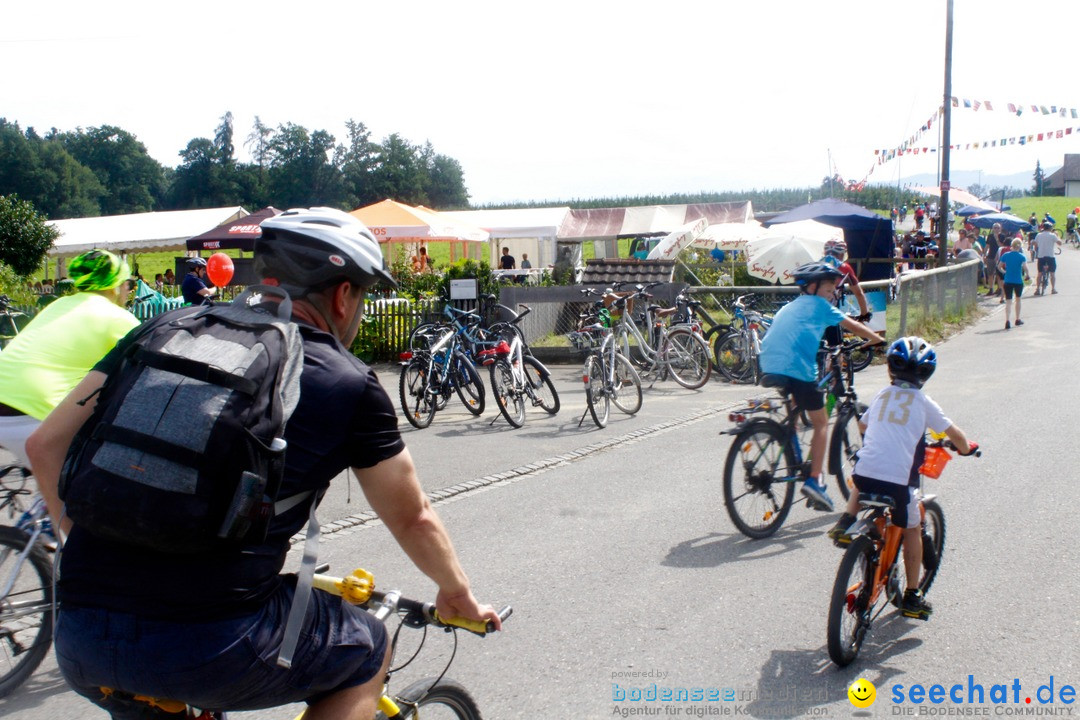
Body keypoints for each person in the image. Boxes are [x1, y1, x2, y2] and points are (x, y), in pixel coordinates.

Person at [27, 207, 501, 720]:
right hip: (210, 646)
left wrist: (88, 549)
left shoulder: (160, 330)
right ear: (343, 295)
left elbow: (44, 446)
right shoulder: (347, 382)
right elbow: (413, 516)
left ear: (266, 277)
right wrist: (458, 594)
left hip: (80, 635)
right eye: (361, 296)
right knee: (366, 648)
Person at [827, 337, 976, 620]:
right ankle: (911, 595)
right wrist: (967, 448)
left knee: (866, 469)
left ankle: (846, 521)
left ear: (890, 370)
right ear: (926, 374)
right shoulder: (923, 402)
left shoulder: (883, 394)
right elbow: (955, 435)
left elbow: (862, 424)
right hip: (899, 484)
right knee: (912, 528)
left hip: (864, 473)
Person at [758, 262, 884, 512]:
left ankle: (790, 440)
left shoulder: (791, 306)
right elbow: (853, 325)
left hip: (768, 364)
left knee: (795, 407)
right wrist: (877, 339)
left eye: (834, 290)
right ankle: (814, 481)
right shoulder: (820, 306)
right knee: (821, 422)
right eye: (829, 289)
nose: (832, 294)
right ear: (814, 288)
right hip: (796, 368)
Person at [0, 249, 137, 472]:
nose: (128, 290)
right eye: (127, 283)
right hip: (34, 411)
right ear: (116, 285)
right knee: (79, 487)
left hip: (5, 395)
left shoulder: (58, 305)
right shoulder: (118, 317)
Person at [998, 238, 1028, 328]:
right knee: (1018, 299)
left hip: (1008, 280)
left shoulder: (1006, 255)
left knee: (1008, 301)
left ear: (1012, 245)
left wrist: (1004, 272)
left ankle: (1007, 320)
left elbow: (999, 267)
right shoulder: (1021, 256)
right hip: (1018, 280)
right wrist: (1027, 275)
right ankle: (1017, 319)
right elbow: (1025, 267)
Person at [1033, 221, 1062, 295]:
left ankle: (1037, 289)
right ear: (1050, 228)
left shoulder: (1039, 235)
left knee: (1039, 273)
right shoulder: (1052, 235)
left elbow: (1035, 244)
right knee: (1052, 273)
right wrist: (1057, 236)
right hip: (1050, 256)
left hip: (1041, 256)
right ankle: (1053, 289)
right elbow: (1060, 243)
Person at [983, 224, 1006, 296]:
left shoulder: (1002, 236)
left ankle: (999, 289)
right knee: (990, 274)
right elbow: (987, 245)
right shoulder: (990, 236)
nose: (996, 229)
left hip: (999, 257)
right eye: (995, 228)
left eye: (998, 228)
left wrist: (997, 238)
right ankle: (991, 289)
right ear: (993, 228)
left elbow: (1002, 246)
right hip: (990, 256)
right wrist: (984, 254)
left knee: (999, 274)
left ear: (1000, 229)